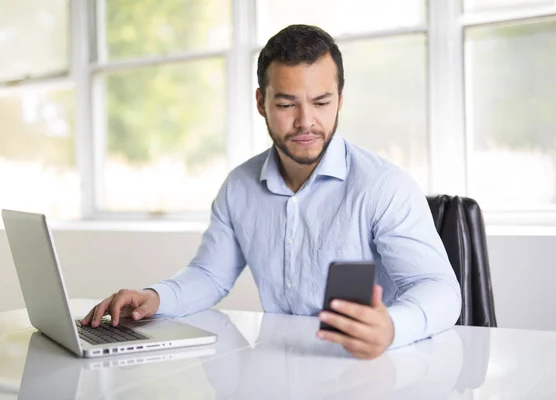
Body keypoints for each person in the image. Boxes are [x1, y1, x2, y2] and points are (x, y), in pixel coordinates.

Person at [82, 24, 461, 360]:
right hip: (280, 364)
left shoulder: (383, 186)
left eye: (321, 102)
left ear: (341, 100)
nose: (305, 121)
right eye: (286, 104)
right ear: (261, 102)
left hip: (375, 367)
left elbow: (439, 289)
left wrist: (392, 327)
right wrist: (156, 298)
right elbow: (210, 276)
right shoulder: (239, 187)